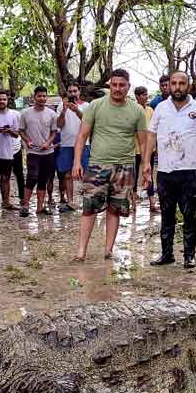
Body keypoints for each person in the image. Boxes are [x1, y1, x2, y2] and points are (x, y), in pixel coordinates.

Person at [72, 68, 148, 261]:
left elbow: (144, 142)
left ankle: (108, 250)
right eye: (114, 84)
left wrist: (146, 166)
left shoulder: (137, 110)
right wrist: (77, 162)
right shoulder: (96, 106)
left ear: (128, 87)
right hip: (97, 165)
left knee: (114, 209)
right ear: (109, 85)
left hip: (125, 167)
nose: (117, 88)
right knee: (89, 208)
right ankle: (81, 252)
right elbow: (82, 136)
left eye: (122, 85)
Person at [143, 71, 196, 268]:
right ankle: (167, 254)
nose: (177, 87)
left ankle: (189, 255)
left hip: (189, 170)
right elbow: (151, 135)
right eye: (174, 83)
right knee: (167, 214)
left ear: (188, 85)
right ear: (169, 85)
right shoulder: (161, 109)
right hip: (165, 171)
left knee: (189, 214)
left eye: (182, 83)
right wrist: (147, 162)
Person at [19, 85, 58, 216]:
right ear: (34, 97)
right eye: (39, 96)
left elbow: (53, 132)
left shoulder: (52, 114)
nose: (42, 98)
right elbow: (21, 130)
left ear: (46, 97)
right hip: (33, 152)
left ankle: (40, 207)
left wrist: (48, 143)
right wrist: (27, 140)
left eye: (44, 96)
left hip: (48, 152)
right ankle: (25, 205)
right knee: (32, 177)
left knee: (43, 179)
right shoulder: (25, 113)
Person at [54, 81, 88, 212]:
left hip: (84, 144)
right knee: (67, 174)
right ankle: (70, 201)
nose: (73, 93)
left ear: (79, 92)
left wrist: (76, 110)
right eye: (70, 91)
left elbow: (88, 122)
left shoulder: (86, 106)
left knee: (85, 174)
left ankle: (88, 201)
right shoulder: (62, 106)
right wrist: (64, 110)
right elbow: (59, 124)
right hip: (66, 144)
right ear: (67, 93)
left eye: (75, 91)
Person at [133, 85, 159, 212]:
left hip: (150, 149)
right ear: (137, 96)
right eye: (143, 94)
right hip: (135, 150)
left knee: (149, 174)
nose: (146, 96)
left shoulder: (150, 110)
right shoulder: (133, 109)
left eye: (146, 94)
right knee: (134, 176)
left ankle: (152, 203)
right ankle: (132, 205)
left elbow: (155, 128)